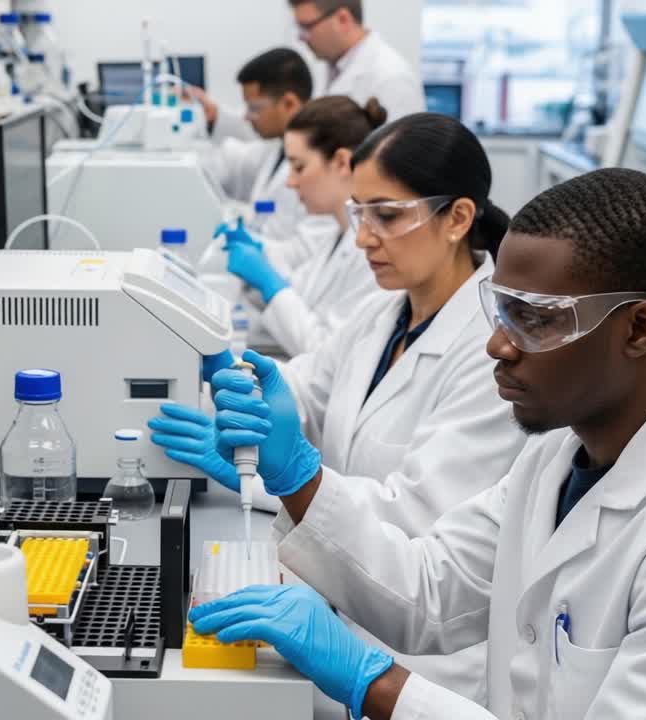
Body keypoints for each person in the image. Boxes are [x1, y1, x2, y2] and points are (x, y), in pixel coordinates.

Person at [189, 168, 646, 719]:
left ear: (640, 328)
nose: (497, 345)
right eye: (501, 310)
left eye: (534, 319)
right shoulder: (562, 452)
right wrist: (298, 477)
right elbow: (430, 590)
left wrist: (376, 685)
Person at [153, 112, 526, 705]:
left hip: (425, 662)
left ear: (457, 218)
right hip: (344, 595)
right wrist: (234, 381)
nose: (361, 237)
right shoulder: (386, 313)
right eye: (358, 212)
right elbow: (305, 388)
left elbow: (416, 522)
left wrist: (293, 480)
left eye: (386, 214)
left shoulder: (492, 353)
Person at [216, 95, 392, 357]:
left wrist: (268, 282)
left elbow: (326, 353)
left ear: (342, 162)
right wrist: (259, 267)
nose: (290, 182)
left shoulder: (372, 250)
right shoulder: (338, 235)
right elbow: (297, 293)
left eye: (299, 167)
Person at [194, 0, 424, 141]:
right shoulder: (331, 69)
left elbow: (397, 169)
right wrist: (217, 115)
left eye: (306, 27)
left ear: (342, 19)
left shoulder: (391, 77)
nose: (301, 38)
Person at [202, 48, 316, 243]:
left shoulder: (319, 159)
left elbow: (308, 246)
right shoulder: (277, 150)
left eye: (254, 108)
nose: (247, 117)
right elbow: (234, 160)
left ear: (289, 103)